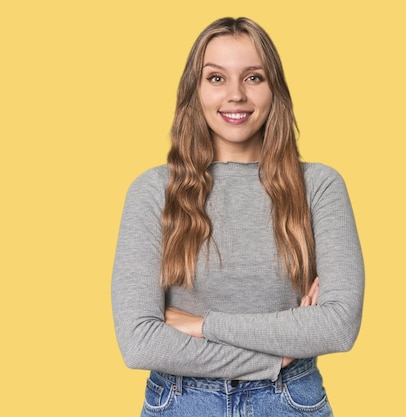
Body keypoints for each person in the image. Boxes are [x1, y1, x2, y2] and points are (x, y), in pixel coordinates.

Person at [112, 17, 364, 417]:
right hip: (181, 403)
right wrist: (274, 356)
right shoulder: (153, 191)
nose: (235, 95)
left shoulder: (319, 186)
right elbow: (140, 340)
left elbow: (336, 326)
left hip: (290, 402)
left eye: (253, 77)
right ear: (194, 91)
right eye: (216, 78)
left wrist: (201, 324)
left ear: (273, 89)